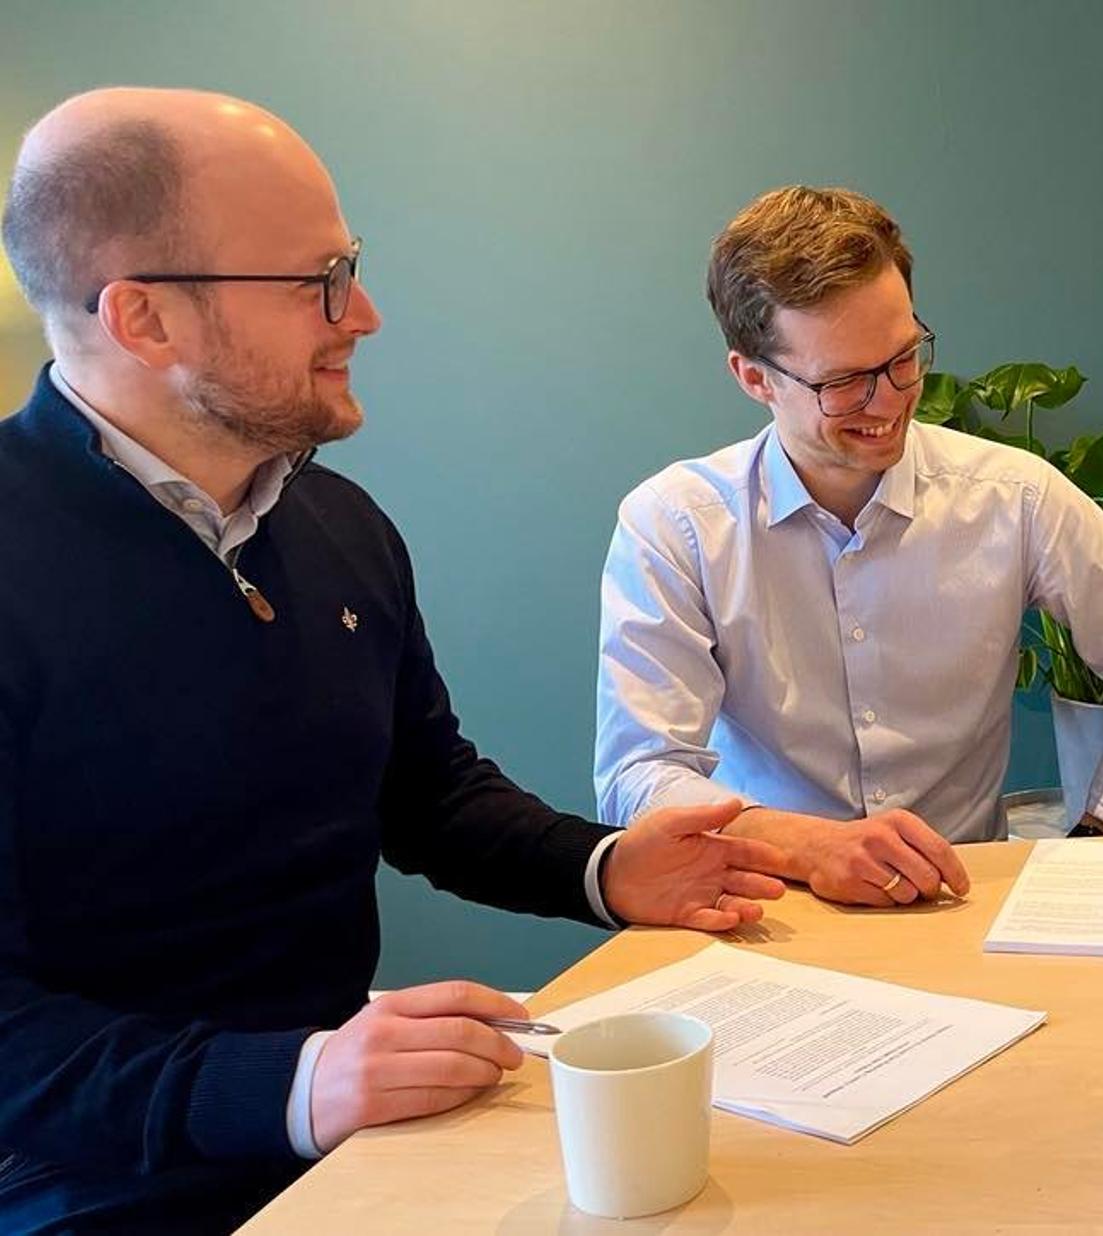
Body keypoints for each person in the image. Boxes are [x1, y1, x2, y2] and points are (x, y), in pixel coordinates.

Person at [0, 88, 786, 1234]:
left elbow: (422, 792)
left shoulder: (337, 528)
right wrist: (295, 1084)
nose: (361, 313)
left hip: (354, 1131)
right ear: (143, 319)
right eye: (318, 279)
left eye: (350, 267)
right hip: (96, 1177)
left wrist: (608, 869)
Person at [595, 186, 1103, 908]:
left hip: (963, 902)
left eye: (904, 358)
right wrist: (811, 845)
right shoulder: (677, 524)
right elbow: (639, 776)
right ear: (753, 377)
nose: (889, 400)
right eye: (842, 382)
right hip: (768, 905)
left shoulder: (1013, 497)